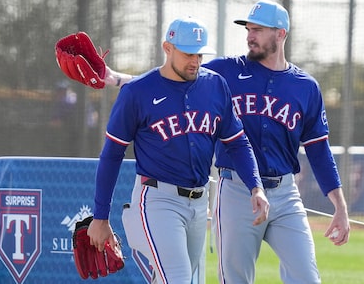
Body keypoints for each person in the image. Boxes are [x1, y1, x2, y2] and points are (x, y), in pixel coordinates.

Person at [101, 1, 350, 283]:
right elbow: (168, 80)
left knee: (307, 277)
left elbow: (319, 150)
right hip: (236, 191)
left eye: (257, 29)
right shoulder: (225, 71)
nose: (249, 35)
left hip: (285, 193)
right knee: (234, 279)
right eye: (248, 28)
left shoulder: (306, 86)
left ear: (280, 34)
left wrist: (339, 206)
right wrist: (117, 78)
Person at [86, 16, 269, 284]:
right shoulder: (137, 92)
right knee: (179, 279)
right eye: (187, 54)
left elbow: (238, 142)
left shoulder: (215, 85)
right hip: (158, 199)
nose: (195, 61)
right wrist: (100, 217)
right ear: (167, 48)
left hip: (198, 203)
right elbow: (112, 155)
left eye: (199, 54)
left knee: (179, 279)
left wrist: (256, 186)